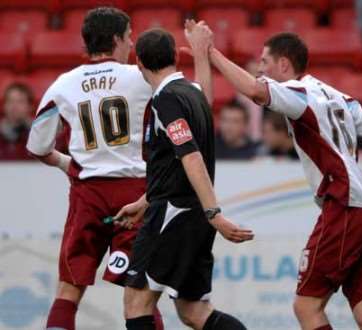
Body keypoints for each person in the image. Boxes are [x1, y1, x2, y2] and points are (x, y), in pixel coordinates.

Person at [187, 25, 362, 330]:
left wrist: (210, 52)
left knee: (306, 307)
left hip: (344, 207)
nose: (260, 68)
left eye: (264, 61)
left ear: (283, 64)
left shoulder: (298, 94)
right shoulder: (334, 95)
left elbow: (255, 90)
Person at [26, 7, 163, 330]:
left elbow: (37, 146)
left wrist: (67, 163)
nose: (131, 44)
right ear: (117, 38)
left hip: (87, 195)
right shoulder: (142, 79)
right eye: (129, 37)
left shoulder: (63, 84)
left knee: (69, 288)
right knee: (139, 293)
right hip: (135, 194)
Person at [114, 24, 253, 330]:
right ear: (176, 56)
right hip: (190, 215)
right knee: (194, 311)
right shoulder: (191, 93)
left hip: (175, 214)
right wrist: (146, 200)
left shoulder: (167, 101)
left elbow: (190, 156)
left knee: (137, 302)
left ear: (138, 63)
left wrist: (214, 212)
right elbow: (175, 163)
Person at [0, 82, 34, 160]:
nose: (14, 106)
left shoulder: (40, 136)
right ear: (4, 106)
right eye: (10, 101)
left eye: (20, 101)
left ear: (30, 106)